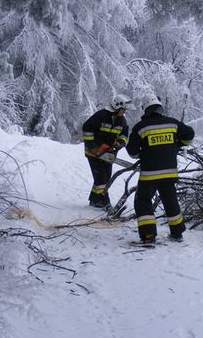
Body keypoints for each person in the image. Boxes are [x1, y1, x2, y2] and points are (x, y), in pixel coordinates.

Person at [126, 94, 195, 244]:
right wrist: (178, 145)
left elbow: (131, 151)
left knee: (143, 201)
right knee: (170, 200)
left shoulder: (141, 127)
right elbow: (190, 134)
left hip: (150, 174)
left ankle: (148, 236)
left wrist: (142, 154)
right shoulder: (173, 123)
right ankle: (177, 233)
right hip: (170, 173)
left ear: (146, 110)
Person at [82, 94, 135, 209]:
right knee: (101, 178)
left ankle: (95, 200)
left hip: (108, 154)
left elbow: (124, 135)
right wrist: (95, 147)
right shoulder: (101, 116)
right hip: (93, 153)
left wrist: (119, 143)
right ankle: (105, 203)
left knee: (106, 177)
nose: (124, 112)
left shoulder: (122, 121)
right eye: (123, 109)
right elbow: (87, 129)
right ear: (117, 107)